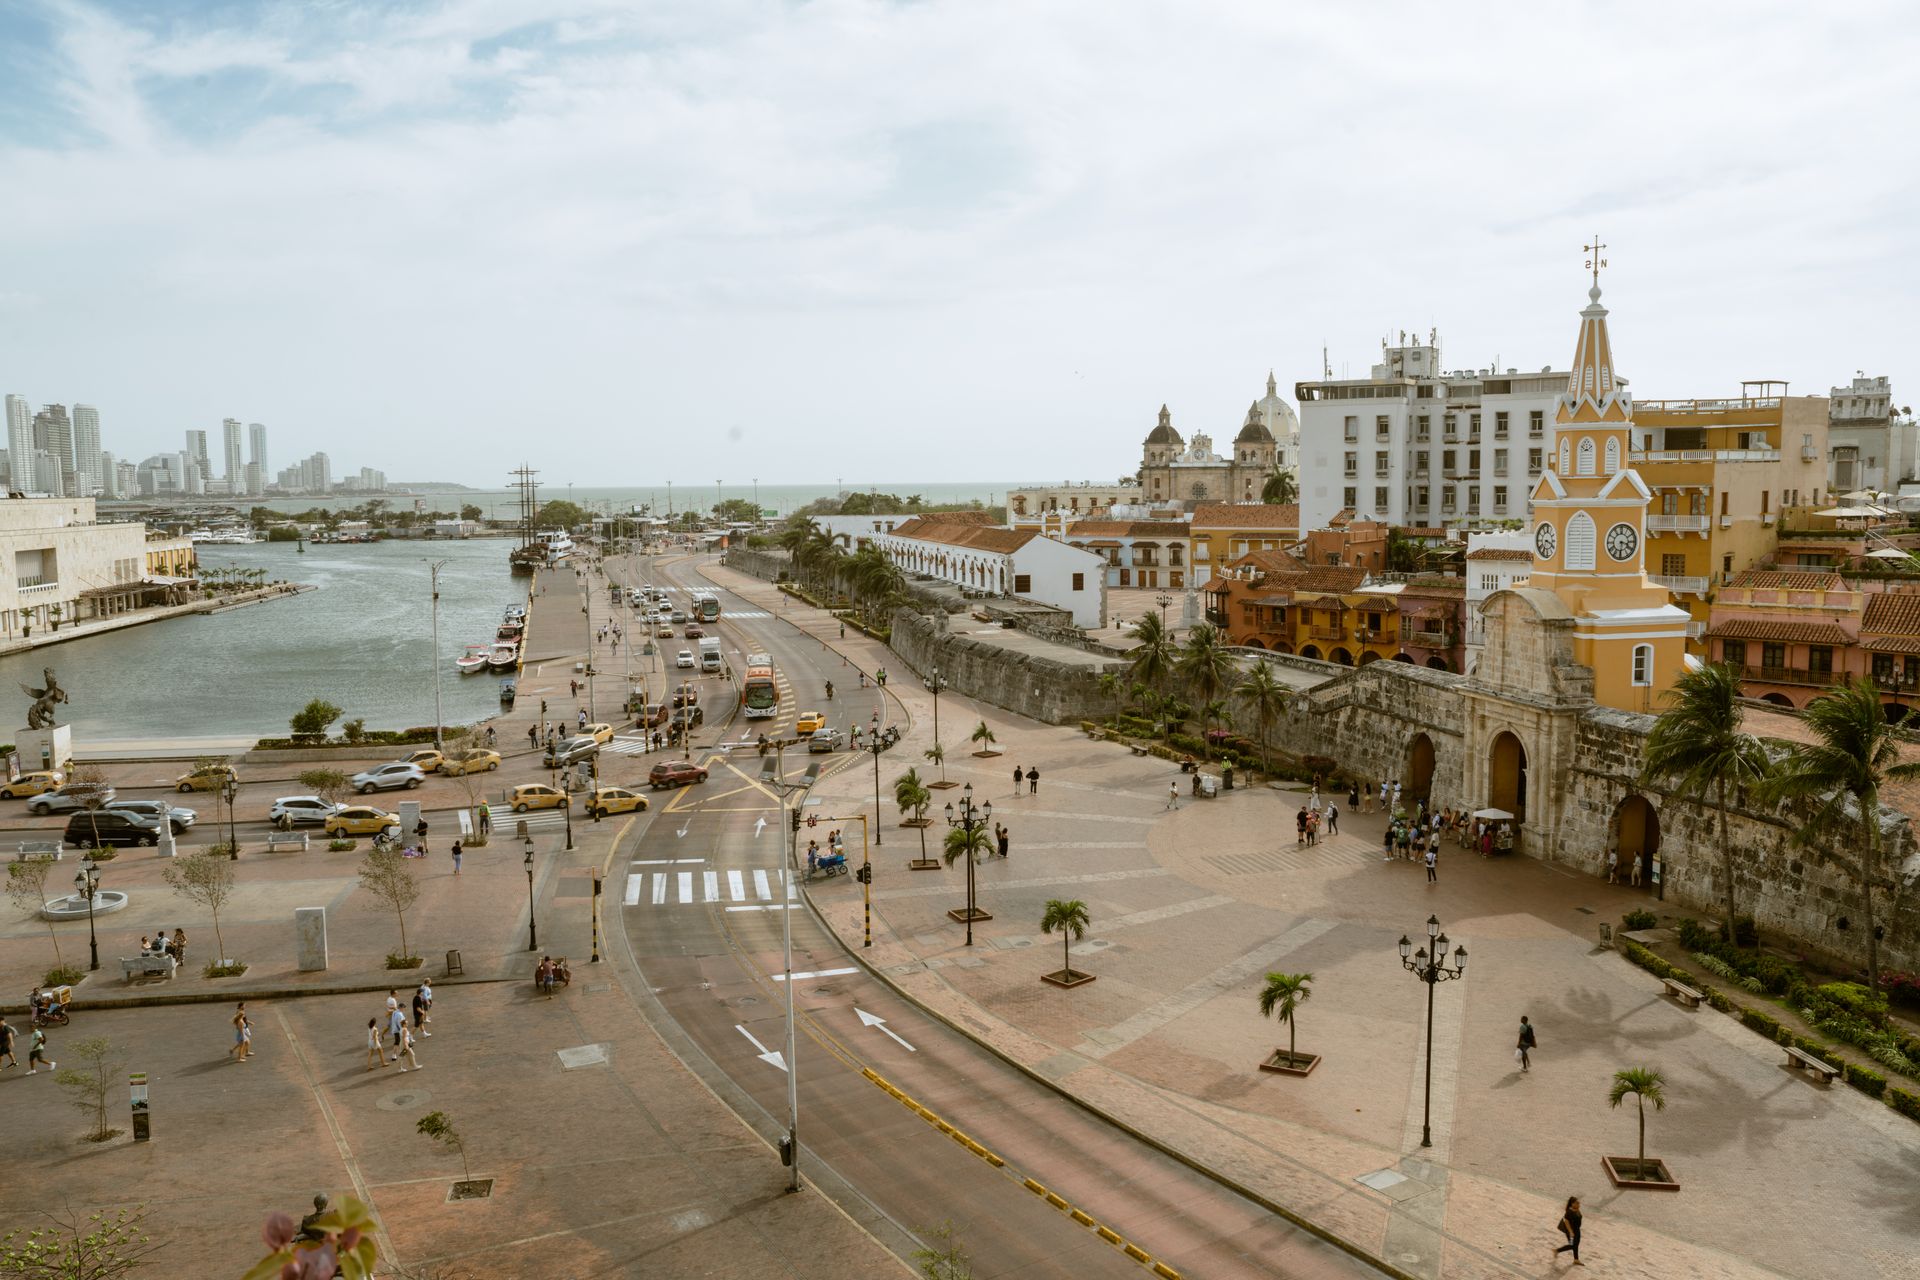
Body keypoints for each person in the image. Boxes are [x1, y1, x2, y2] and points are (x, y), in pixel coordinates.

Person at [1554, 1196, 1583, 1265]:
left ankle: (1576, 1259)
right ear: (1572, 1204)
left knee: (1576, 1244)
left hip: (1577, 1230)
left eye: (1579, 1203)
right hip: (1571, 1232)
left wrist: (1577, 1209)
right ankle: (1557, 1250)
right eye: (1577, 1203)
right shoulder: (1569, 1212)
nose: (1579, 1204)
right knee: (1572, 1245)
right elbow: (1566, 1222)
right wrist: (1570, 1232)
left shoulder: (1576, 1209)